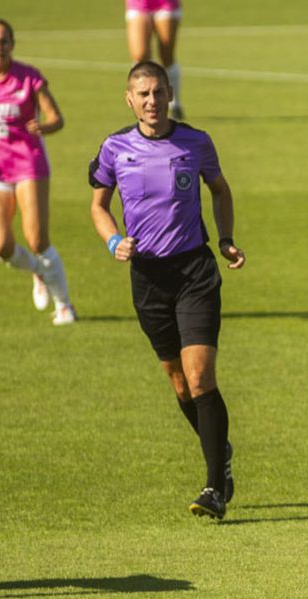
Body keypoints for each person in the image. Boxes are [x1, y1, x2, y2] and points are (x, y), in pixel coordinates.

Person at [89, 61, 243, 520]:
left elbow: (220, 190)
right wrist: (114, 240)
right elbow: (98, 205)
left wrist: (226, 239)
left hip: (195, 271)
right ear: (129, 99)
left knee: (199, 379)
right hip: (148, 277)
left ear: (170, 93)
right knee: (178, 382)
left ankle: (215, 487)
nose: (152, 101)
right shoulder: (115, 148)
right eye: (143, 94)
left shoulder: (195, 142)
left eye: (159, 92)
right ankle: (221, 452)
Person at [0, 18, 76, 326]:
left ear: (13, 44)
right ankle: (37, 270)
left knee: (37, 239)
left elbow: (57, 118)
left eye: (4, 41)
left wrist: (44, 126)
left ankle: (64, 305)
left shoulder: (29, 78)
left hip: (28, 163)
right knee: (1, 246)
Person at [125, 0, 184, 119]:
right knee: (140, 55)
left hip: (165, 3)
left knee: (166, 56)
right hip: (139, 3)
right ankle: (141, 101)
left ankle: (175, 104)